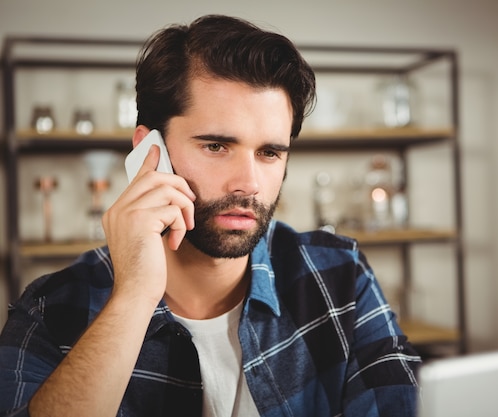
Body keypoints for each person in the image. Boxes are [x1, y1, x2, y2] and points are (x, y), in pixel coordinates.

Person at [0, 14, 420, 417]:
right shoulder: (49, 310)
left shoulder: (340, 276)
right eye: (216, 146)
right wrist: (133, 298)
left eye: (269, 152)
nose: (249, 183)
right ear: (150, 152)